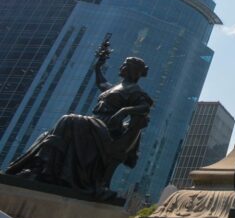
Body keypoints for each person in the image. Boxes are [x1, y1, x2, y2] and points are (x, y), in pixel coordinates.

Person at [7, 47, 153, 200]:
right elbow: (101, 82)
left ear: (131, 70)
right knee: (49, 133)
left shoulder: (134, 90)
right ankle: (42, 169)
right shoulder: (116, 87)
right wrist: (98, 66)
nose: (121, 67)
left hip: (106, 128)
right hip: (93, 124)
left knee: (69, 120)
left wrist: (123, 111)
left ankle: (46, 169)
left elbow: (144, 106)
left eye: (125, 65)